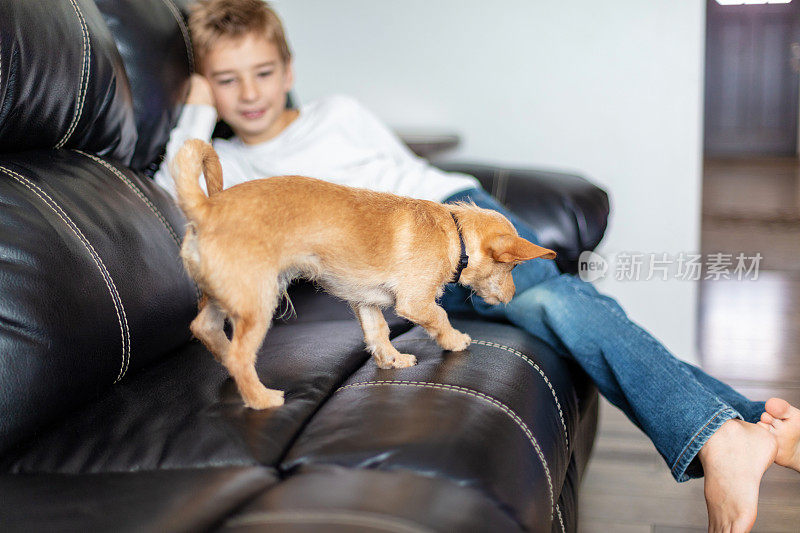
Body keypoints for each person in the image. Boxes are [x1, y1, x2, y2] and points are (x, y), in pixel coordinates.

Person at [154, 1, 800, 531]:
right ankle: (745, 424)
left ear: (288, 68)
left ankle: (722, 438)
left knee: (545, 301)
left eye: (263, 72)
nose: (250, 93)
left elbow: (403, 185)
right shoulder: (231, 170)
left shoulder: (338, 115)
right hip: (389, 275)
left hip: (457, 221)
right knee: (566, 305)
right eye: (227, 79)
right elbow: (169, 193)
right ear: (206, 82)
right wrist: (195, 105)